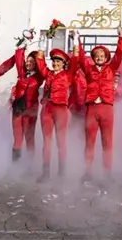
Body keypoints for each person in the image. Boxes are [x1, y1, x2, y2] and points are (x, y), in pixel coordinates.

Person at [74, 28, 122, 184]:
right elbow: (81, 58)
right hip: (92, 109)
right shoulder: (88, 69)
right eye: (96, 56)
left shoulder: (111, 68)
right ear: (94, 58)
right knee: (89, 141)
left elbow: (119, 55)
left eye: (102, 56)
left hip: (106, 108)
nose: (99, 58)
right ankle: (88, 171)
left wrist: (121, 37)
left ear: (106, 58)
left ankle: (107, 173)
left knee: (107, 142)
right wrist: (77, 40)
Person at [35, 44, 81, 183]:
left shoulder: (68, 74)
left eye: (58, 62)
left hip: (61, 109)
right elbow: (40, 65)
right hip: (47, 109)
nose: (55, 63)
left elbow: (74, 62)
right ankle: (46, 172)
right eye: (54, 61)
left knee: (61, 141)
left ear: (63, 64)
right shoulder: (48, 74)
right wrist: (41, 50)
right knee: (47, 141)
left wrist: (75, 47)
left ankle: (61, 173)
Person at [11, 44, 45, 162]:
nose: (28, 63)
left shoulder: (39, 77)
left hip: (30, 109)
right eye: (27, 61)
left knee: (29, 137)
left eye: (32, 61)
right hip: (17, 108)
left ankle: (30, 164)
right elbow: (18, 59)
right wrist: (22, 45)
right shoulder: (21, 74)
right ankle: (15, 163)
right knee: (17, 137)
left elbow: (42, 67)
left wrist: (40, 56)